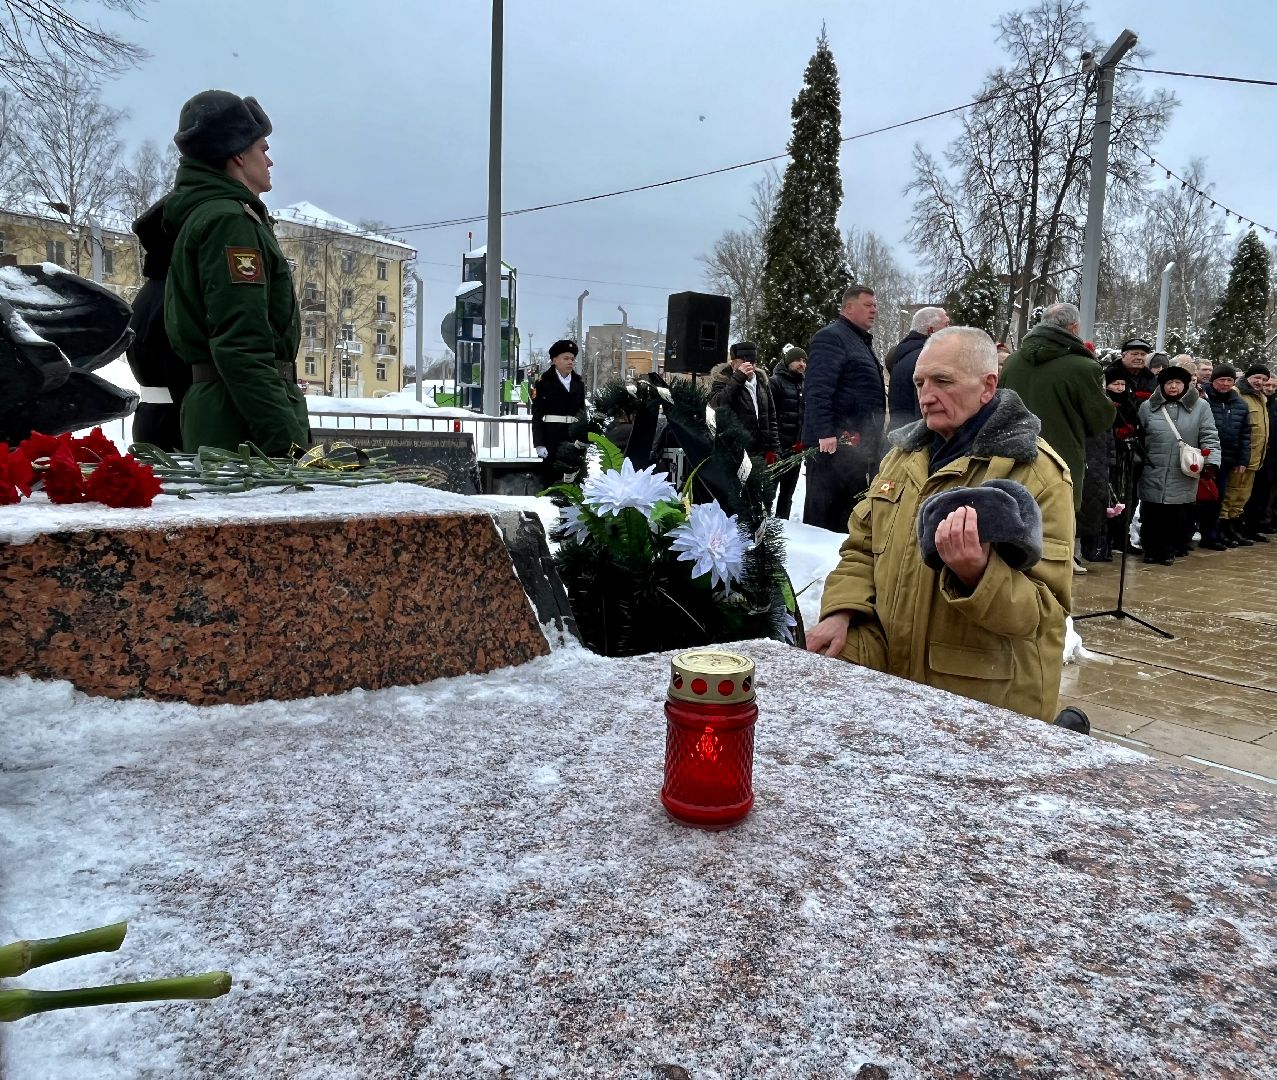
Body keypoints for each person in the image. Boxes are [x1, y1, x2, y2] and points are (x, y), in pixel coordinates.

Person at [806, 327, 1073, 723]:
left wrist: (978, 575)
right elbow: (862, 548)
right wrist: (840, 612)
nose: (926, 395)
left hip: (980, 705)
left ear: (987, 386)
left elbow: (1046, 613)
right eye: (919, 382)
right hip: (893, 688)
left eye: (942, 381)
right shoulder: (902, 457)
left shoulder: (1035, 473)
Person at [163, 90, 309, 456]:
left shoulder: (215, 215)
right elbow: (240, 345)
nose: (270, 161)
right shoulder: (230, 222)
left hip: (230, 412)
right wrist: (287, 444)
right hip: (243, 425)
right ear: (239, 155)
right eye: (263, 148)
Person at [998, 302, 1115, 572]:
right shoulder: (1083, 367)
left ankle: (1016, 557)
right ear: (1073, 328)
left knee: (1018, 501)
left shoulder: (1013, 361)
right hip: (1062, 451)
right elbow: (1099, 419)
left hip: (1013, 447)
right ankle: (1059, 560)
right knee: (1059, 507)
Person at [802, 285, 886, 532]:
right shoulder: (832, 337)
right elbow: (818, 389)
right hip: (834, 447)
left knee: (847, 516)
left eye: (875, 306)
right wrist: (825, 433)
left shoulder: (859, 341)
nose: (874, 310)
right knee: (826, 516)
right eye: (868, 305)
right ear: (849, 307)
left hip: (856, 449)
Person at [1136, 364, 1220, 565]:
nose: (1173, 387)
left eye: (1178, 383)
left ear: (1186, 385)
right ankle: (1150, 548)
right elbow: (1138, 436)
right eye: (1169, 383)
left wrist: (1211, 461)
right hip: (1153, 467)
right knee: (1151, 511)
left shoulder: (1201, 407)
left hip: (1184, 467)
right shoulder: (1147, 406)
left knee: (1177, 513)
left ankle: (1168, 549)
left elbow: (1209, 435)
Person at [124, 198, 189, 451]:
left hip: (152, 416)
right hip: (174, 423)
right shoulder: (172, 294)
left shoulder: (148, 292)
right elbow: (177, 363)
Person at [1202, 364, 1251, 548]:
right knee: (1199, 500)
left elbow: (1246, 434)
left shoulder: (1239, 403)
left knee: (1218, 499)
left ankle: (1212, 535)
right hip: (1205, 457)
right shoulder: (1204, 399)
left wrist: (1242, 459)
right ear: (1213, 380)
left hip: (1227, 459)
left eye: (1229, 380)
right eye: (1221, 380)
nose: (1225, 383)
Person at [710, 341, 780, 457]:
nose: (750, 367)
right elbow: (716, 405)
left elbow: (771, 417)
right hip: (737, 451)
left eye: (753, 363)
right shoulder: (722, 380)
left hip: (762, 451)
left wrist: (775, 450)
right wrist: (739, 377)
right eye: (745, 363)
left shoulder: (762, 382)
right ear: (733, 364)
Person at [531, 339, 586, 486]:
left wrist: (584, 438)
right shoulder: (543, 383)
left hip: (573, 439)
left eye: (572, 359)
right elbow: (537, 416)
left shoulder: (578, 383)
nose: (570, 362)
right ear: (554, 360)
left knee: (574, 480)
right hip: (552, 438)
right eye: (566, 358)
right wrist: (539, 444)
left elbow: (582, 413)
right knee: (551, 479)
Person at [1228, 363, 1272, 543]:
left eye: (1263, 379)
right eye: (1257, 378)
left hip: (1256, 457)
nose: (1260, 382)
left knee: (1242, 497)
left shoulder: (1261, 397)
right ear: (1248, 378)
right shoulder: (1238, 394)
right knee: (1231, 494)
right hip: (1242, 456)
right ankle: (1224, 529)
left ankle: (1236, 529)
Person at [886, 306, 948, 432]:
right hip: (917, 440)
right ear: (931, 331)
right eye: (946, 325)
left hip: (899, 434)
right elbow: (926, 408)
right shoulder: (926, 358)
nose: (950, 330)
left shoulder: (902, 355)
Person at [768, 345, 806, 519]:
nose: (802, 364)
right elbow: (768, 415)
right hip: (776, 450)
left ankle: (783, 527)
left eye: (804, 361)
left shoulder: (803, 385)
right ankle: (764, 528)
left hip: (796, 450)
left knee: (787, 495)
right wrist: (771, 446)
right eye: (798, 360)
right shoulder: (775, 382)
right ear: (789, 361)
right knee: (768, 493)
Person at [1116, 337, 1158, 402]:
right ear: (1123, 356)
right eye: (1135, 354)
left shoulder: (1151, 378)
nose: (1139, 357)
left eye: (1143, 354)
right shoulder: (1110, 376)